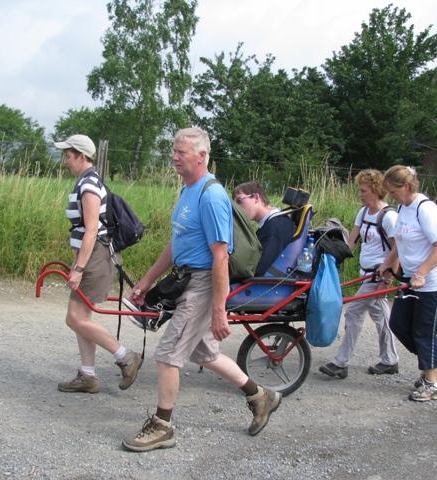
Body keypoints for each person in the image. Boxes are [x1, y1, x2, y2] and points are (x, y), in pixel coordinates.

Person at [122, 128, 282, 452]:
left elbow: (221, 255)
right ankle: (261, 396)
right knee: (203, 353)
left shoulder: (211, 196)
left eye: (181, 152)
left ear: (202, 156)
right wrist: (147, 280)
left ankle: (162, 426)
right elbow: (177, 242)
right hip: (185, 279)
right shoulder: (187, 190)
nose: (174, 157)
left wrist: (218, 310)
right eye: (174, 151)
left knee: (167, 355)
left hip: (202, 283)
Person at [54, 134, 142, 394]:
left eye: (68, 156)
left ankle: (126, 356)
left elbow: (92, 230)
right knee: (83, 317)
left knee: (74, 318)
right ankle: (88, 376)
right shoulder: (87, 181)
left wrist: (79, 268)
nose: (65, 161)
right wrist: (77, 262)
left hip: (95, 257)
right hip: (91, 255)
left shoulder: (89, 184)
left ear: (82, 156)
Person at [377, 165, 437, 402]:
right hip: (412, 280)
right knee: (399, 324)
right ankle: (434, 361)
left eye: (392, 191)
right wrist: (387, 262)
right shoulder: (403, 207)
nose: (390, 196)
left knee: (424, 330)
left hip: (434, 282)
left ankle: (432, 384)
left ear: (407, 186)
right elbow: (400, 242)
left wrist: (421, 273)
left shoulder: (426, 209)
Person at [319, 169, 400, 379]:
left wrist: (387, 280)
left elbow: (398, 250)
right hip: (367, 273)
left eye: (363, 191)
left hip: (378, 275)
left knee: (353, 310)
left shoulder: (389, 217)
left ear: (375, 191)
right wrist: (331, 259)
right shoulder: (363, 213)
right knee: (381, 317)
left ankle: (340, 362)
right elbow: (351, 243)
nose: (360, 194)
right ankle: (390, 360)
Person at [232, 182, 296, 276]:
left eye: (239, 200)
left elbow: (257, 269)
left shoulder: (274, 227)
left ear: (256, 198)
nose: (237, 208)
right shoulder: (273, 222)